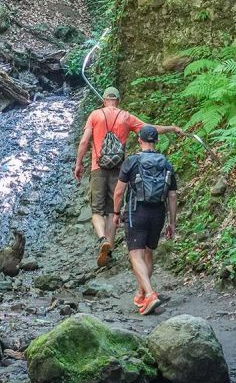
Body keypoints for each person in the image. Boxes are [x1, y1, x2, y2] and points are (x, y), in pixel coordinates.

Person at [73, 86, 181, 268]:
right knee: (112, 211)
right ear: (118, 100)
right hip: (118, 169)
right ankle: (110, 251)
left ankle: (102, 240)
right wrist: (172, 128)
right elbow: (150, 130)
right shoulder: (125, 116)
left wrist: (78, 164)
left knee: (96, 212)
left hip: (97, 167)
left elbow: (84, 141)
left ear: (104, 100)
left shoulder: (95, 115)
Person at [111, 125, 177, 315]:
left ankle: (149, 294)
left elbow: (118, 192)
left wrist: (116, 214)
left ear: (140, 140)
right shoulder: (167, 163)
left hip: (136, 212)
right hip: (158, 213)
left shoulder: (132, 162)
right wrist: (172, 223)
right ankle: (141, 293)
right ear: (156, 141)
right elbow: (172, 196)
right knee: (148, 253)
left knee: (135, 255)